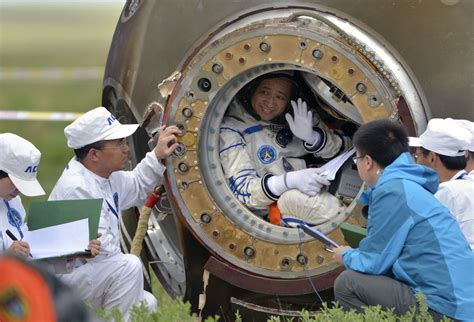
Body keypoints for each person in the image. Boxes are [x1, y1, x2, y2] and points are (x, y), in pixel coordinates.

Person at [332, 119, 474, 321]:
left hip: (445, 307)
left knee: (348, 283)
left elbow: (374, 262)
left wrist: (346, 255)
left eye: (357, 159)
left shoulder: (393, 191)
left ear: (368, 161)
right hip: (461, 303)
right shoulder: (407, 186)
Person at [48, 107, 180, 319]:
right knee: (128, 267)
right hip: (64, 279)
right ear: (94, 155)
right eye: (119, 143)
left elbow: (136, 185)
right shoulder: (77, 187)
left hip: (91, 274)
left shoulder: (103, 175)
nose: (126, 149)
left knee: (147, 303)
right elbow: (104, 253)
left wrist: (157, 155)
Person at [219, 72, 351, 226]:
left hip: (320, 182)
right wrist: (288, 182)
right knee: (328, 209)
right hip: (277, 203)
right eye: (264, 92)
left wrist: (314, 138)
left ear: (288, 101)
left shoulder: (299, 116)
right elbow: (243, 191)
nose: (270, 102)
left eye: (280, 97)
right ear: (251, 90)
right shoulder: (232, 128)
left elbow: (347, 149)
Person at [0, 133, 100, 265]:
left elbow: (29, 255)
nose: (19, 191)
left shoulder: (12, 202)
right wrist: (6, 259)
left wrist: (72, 251)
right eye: (16, 183)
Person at [410, 118, 474, 250]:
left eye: (418, 155)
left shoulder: (446, 193)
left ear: (432, 158)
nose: (417, 163)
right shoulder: (468, 185)